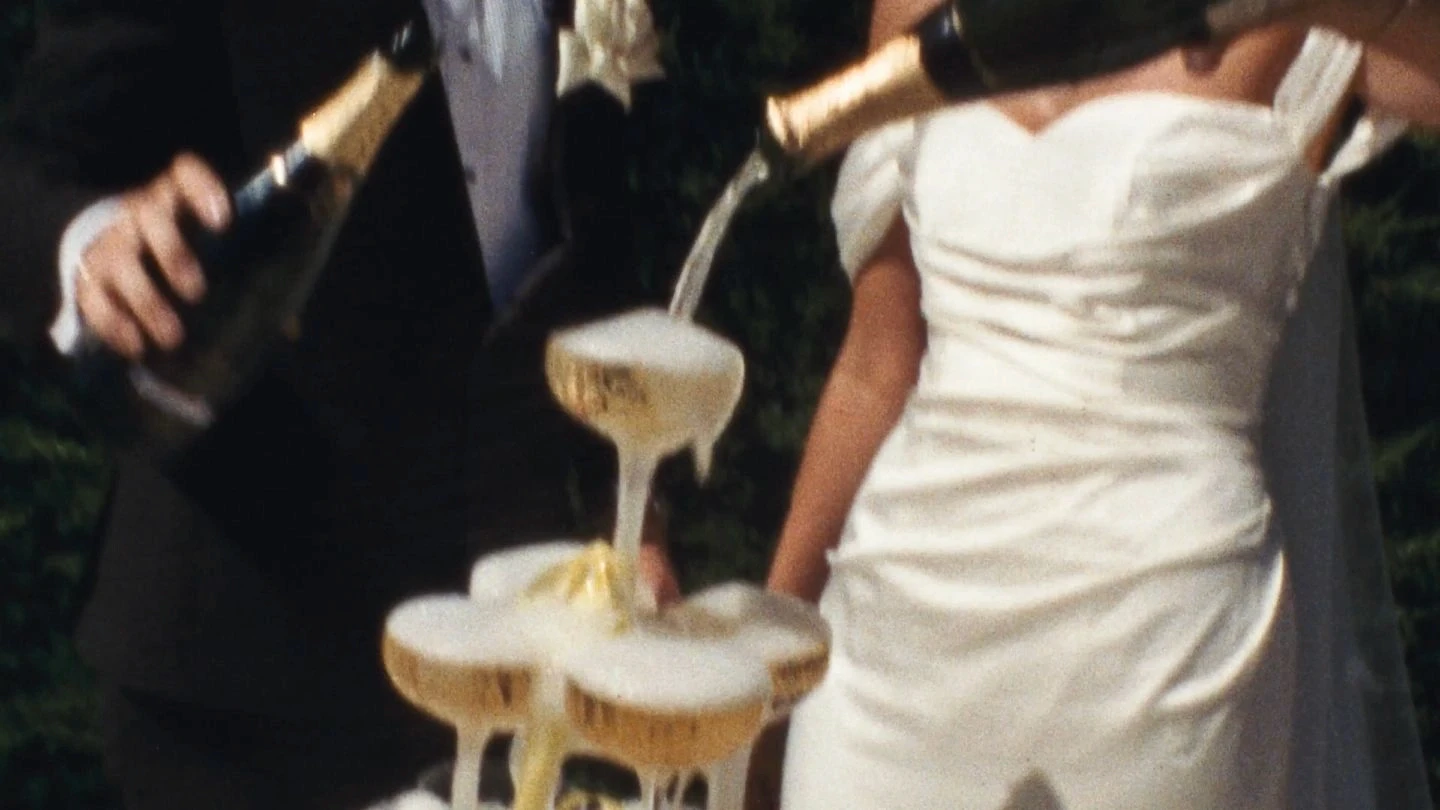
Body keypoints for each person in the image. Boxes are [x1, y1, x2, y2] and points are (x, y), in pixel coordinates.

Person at [762, 0, 1440, 808]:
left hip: (1161, 647)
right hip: (887, 647)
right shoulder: (914, 10)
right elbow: (876, 368)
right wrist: (763, 661)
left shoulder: (1292, 18)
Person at [0, 0, 675, 808]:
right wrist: (87, 248)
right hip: (246, 674)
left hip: (509, 648)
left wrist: (627, 507)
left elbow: (587, 229)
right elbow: (26, 171)